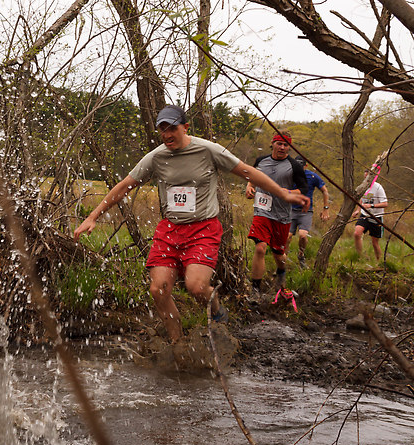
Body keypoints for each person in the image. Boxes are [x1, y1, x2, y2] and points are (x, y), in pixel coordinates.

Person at [73, 106, 309, 343]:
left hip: (203, 228)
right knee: (159, 290)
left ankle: (217, 311)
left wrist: (283, 194)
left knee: (196, 286)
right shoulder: (156, 157)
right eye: (162, 129)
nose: (167, 135)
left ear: (185, 128)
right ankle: (178, 344)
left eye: (172, 129)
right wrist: (93, 216)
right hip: (170, 229)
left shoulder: (208, 150)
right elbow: (124, 186)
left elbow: (248, 172)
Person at [246, 131, 307, 297]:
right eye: (279, 143)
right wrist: (249, 186)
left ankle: (281, 274)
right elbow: (251, 175)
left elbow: (304, 189)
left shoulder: (294, 166)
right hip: (262, 210)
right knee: (260, 248)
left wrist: (286, 191)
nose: (282, 147)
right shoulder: (261, 161)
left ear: (290, 147)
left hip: (281, 215)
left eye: (286, 145)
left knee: (278, 255)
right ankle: (255, 290)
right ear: (272, 143)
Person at [287, 156, 330, 265]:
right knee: (287, 236)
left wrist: (325, 209)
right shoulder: (288, 175)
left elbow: (325, 191)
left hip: (305, 212)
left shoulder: (312, 176)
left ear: (305, 166)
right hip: (290, 210)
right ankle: (283, 260)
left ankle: (301, 255)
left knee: (303, 235)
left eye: (301, 166)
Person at [352, 169, 388, 260]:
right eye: (365, 177)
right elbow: (362, 199)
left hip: (376, 217)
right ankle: (359, 257)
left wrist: (371, 206)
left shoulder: (378, 187)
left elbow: (385, 204)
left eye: (368, 178)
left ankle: (379, 262)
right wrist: (358, 210)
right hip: (364, 215)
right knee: (357, 233)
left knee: (374, 242)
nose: (366, 179)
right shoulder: (363, 187)